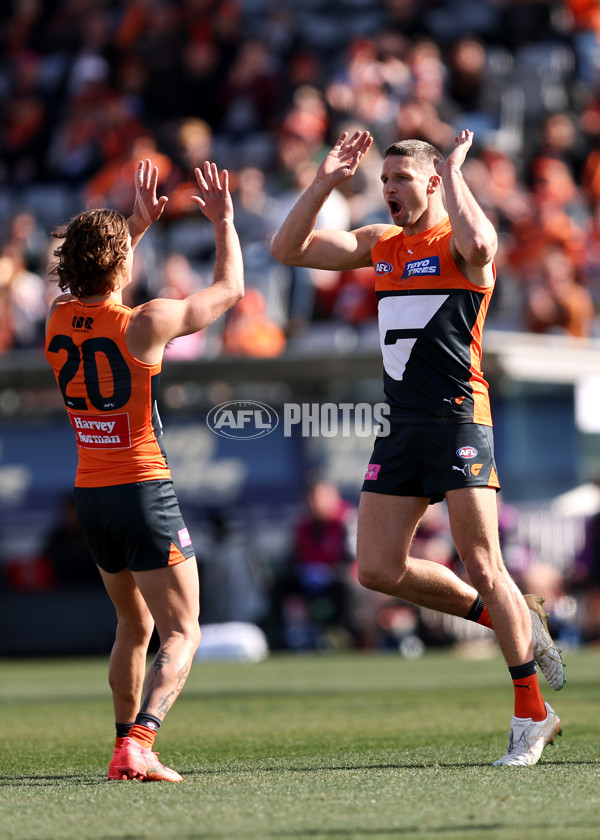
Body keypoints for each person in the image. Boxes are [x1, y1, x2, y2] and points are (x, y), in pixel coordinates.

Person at [271, 128, 565, 766]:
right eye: (384, 181)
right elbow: (287, 249)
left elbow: (484, 243)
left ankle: (531, 716)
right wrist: (325, 181)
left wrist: (457, 171)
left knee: (485, 565)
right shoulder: (381, 244)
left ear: (432, 184)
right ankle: (510, 618)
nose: (389, 190)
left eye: (401, 179)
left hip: (461, 420)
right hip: (402, 425)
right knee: (376, 568)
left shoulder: (460, 243)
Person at [45, 158, 244, 781]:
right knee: (183, 631)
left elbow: (95, 279)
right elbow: (230, 291)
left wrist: (132, 225)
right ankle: (141, 740)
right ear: (121, 266)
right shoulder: (146, 322)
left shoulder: (55, 318)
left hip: (93, 495)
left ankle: (119, 747)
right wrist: (223, 223)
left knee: (132, 625)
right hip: (143, 488)